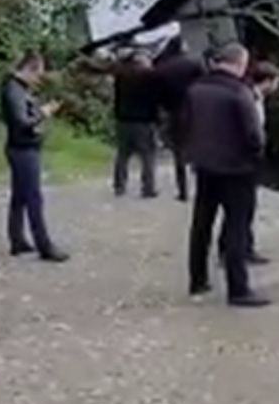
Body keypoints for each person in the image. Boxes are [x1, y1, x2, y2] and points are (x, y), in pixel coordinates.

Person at [180, 42, 268, 307]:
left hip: (205, 166)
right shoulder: (239, 92)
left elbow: (182, 124)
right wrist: (256, 157)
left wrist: (191, 153)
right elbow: (253, 133)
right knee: (236, 227)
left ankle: (197, 279)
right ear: (240, 63)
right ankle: (238, 289)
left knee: (201, 224)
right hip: (237, 168)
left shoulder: (195, 89)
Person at [0, 51, 69, 263]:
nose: (38, 80)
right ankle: (44, 245)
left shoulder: (17, 89)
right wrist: (43, 113)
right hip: (22, 149)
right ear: (29, 69)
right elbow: (22, 121)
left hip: (22, 147)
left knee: (20, 196)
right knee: (33, 198)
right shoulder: (14, 90)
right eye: (38, 75)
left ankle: (17, 239)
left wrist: (39, 111)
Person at [90, 48, 162, 198]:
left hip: (123, 119)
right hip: (144, 121)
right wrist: (157, 118)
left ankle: (119, 185)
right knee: (148, 155)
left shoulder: (121, 74)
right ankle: (148, 187)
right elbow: (155, 99)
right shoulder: (149, 75)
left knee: (122, 154)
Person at [238, 60, 279, 266]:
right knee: (243, 207)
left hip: (249, 160)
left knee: (245, 207)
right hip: (245, 161)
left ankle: (242, 246)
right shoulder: (250, 98)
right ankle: (239, 249)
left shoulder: (255, 97)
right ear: (269, 81)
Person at [153, 39, 204, 202]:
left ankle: (183, 190)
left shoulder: (163, 68)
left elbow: (158, 94)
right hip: (195, 109)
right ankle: (203, 185)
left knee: (178, 151)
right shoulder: (194, 64)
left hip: (174, 111)